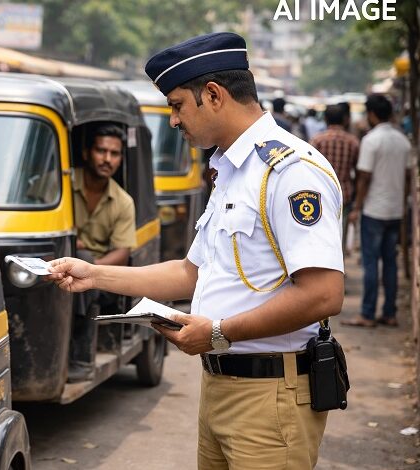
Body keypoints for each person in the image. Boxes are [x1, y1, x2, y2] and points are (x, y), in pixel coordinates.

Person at [48, 32, 344, 469]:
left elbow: (323, 294)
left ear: (213, 95)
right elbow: (192, 273)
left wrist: (219, 332)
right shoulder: (230, 169)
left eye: (177, 105)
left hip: (270, 396)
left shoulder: (290, 171)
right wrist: (93, 274)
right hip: (222, 387)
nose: (173, 120)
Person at [69, 124, 136, 381]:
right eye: (101, 151)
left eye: (114, 153)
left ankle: (79, 356)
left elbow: (122, 253)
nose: (107, 159)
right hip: (55, 262)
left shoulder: (123, 202)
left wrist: (89, 267)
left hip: (97, 274)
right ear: (87, 153)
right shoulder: (61, 182)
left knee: (85, 268)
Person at [343, 94, 413, 328]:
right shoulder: (402, 140)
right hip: (394, 210)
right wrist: (402, 204)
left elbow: (364, 177)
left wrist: (358, 207)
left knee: (372, 263)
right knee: (390, 263)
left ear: (372, 114)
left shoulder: (372, 140)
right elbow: (407, 176)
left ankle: (368, 313)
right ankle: (390, 312)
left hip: (374, 209)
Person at [310, 104, 360, 253]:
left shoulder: (317, 140)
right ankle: (339, 268)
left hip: (319, 193)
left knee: (320, 233)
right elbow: (358, 171)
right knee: (340, 234)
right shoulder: (353, 141)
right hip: (344, 193)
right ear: (345, 120)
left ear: (325, 119)